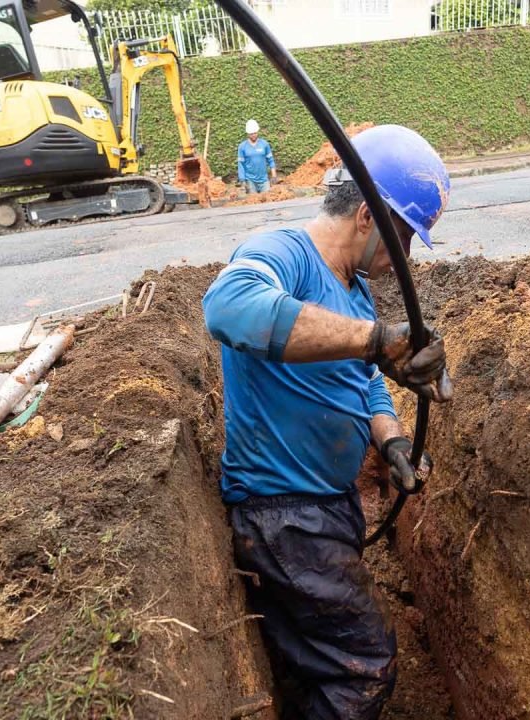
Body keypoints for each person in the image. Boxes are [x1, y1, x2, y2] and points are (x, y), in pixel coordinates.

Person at [203, 124, 453, 720]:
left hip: (322, 511)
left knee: (314, 657)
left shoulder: (354, 287)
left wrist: (391, 440)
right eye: (405, 240)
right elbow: (229, 306)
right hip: (283, 516)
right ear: (368, 216)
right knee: (364, 666)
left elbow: (363, 378)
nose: (406, 262)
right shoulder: (283, 252)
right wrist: (374, 339)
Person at [237, 119, 277, 195]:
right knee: (253, 202)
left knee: (268, 200)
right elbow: (240, 164)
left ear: (257, 132)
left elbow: (271, 160)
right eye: (251, 134)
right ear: (247, 134)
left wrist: (274, 175)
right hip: (250, 180)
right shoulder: (242, 146)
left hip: (264, 180)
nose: (253, 135)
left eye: (255, 133)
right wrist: (242, 180)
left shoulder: (264, 144)